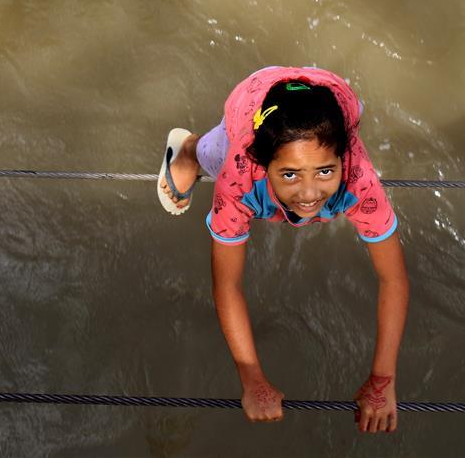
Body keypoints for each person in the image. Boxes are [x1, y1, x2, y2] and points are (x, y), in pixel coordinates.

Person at [157, 66, 409, 434]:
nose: (310, 194)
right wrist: (251, 378)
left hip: (330, 91)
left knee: (346, 119)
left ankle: (312, 99)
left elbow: (394, 278)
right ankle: (188, 150)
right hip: (254, 97)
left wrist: (382, 380)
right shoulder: (240, 176)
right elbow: (227, 286)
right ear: (264, 166)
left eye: (325, 171)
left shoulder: (359, 179)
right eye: (290, 174)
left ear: (343, 160)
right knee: (212, 156)